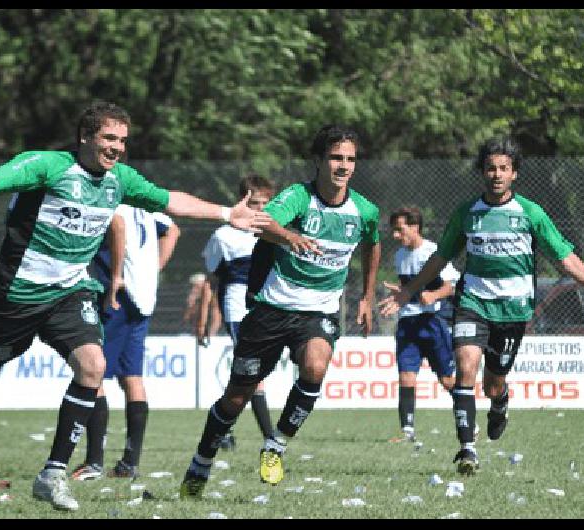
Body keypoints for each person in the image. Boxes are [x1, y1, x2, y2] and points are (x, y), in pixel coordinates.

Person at [0, 100, 270, 511]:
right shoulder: (48, 166)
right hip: (17, 296)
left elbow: (171, 200)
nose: (117, 147)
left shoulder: (120, 179)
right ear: (85, 136)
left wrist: (228, 213)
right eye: (109, 138)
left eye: (122, 140)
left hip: (70, 293)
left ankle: (52, 473)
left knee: (93, 366)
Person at [378, 136, 584, 476]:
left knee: (492, 384)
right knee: (465, 367)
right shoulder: (467, 214)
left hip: (513, 312)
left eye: (504, 168)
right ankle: (467, 449)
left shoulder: (530, 213)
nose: (496, 174)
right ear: (482, 173)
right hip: (473, 303)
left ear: (514, 173)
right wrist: (408, 290)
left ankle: (499, 402)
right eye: (490, 168)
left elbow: (566, 260)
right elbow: (440, 257)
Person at [179, 124, 381, 498]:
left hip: (318, 311)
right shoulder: (297, 198)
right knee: (236, 397)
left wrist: (367, 296)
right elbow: (261, 222)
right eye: (336, 157)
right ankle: (201, 462)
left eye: (350, 159)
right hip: (272, 308)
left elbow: (372, 245)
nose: (344, 165)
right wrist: (290, 236)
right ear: (319, 160)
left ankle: (275, 446)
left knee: (316, 367)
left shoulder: (364, 210)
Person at [70, 204, 179, 481]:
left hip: (116, 296)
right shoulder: (146, 208)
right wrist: (150, 271)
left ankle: (94, 462)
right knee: (132, 377)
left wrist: (117, 275)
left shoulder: (111, 200)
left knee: (92, 373)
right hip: (141, 298)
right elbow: (173, 230)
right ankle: (129, 463)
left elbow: (116, 225)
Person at [194, 174, 277, 451]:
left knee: (245, 376)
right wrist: (203, 321)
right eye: (255, 203)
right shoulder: (224, 236)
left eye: (266, 203)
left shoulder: (274, 231)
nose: (261, 209)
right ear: (242, 201)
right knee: (253, 374)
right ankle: (270, 438)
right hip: (239, 308)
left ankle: (221, 429)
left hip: (270, 307)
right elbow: (211, 281)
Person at [383, 206, 458, 443]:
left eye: (400, 230)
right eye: (393, 231)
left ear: (415, 227)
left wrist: (433, 296)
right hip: (408, 322)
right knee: (406, 376)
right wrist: (402, 292)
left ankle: (468, 417)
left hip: (433, 322)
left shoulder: (434, 252)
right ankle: (407, 431)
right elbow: (410, 290)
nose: (395, 236)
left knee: (447, 380)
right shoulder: (399, 256)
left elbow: (451, 285)